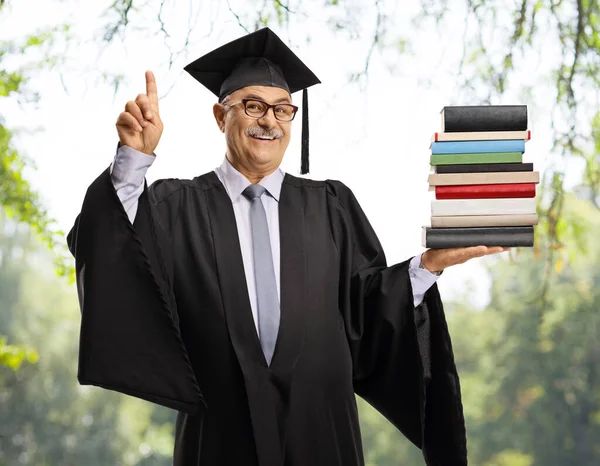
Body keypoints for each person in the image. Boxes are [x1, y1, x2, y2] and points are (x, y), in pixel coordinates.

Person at [67, 28, 507, 466]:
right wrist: (132, 163)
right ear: (221, 117)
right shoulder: (175, 206)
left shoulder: (331, 206)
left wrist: (425, 267)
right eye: (253, 106)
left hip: (320, 434)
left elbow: (368, 311)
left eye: (282, 109)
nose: (269, 121)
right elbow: (110, 251)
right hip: (220, 438)